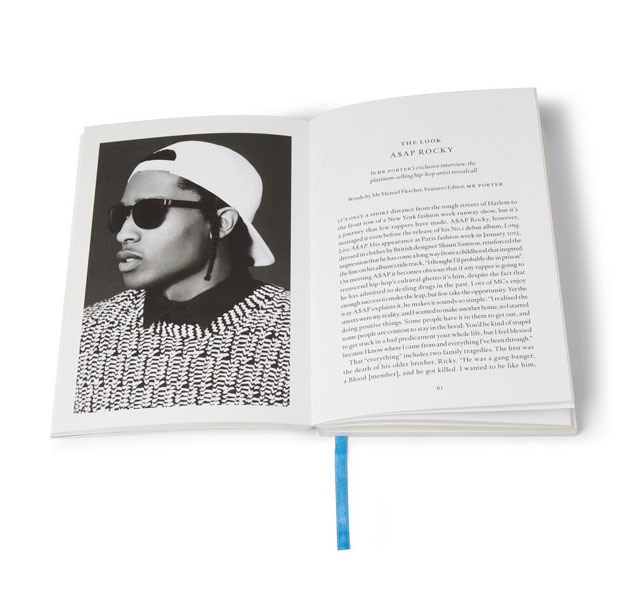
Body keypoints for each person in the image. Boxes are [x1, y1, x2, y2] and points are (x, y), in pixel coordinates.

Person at [74, 141, 290, 412]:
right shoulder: (88, 330)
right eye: (121, 215)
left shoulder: (294, 329)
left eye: (149, 212)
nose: (123, 234)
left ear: (221, 223)